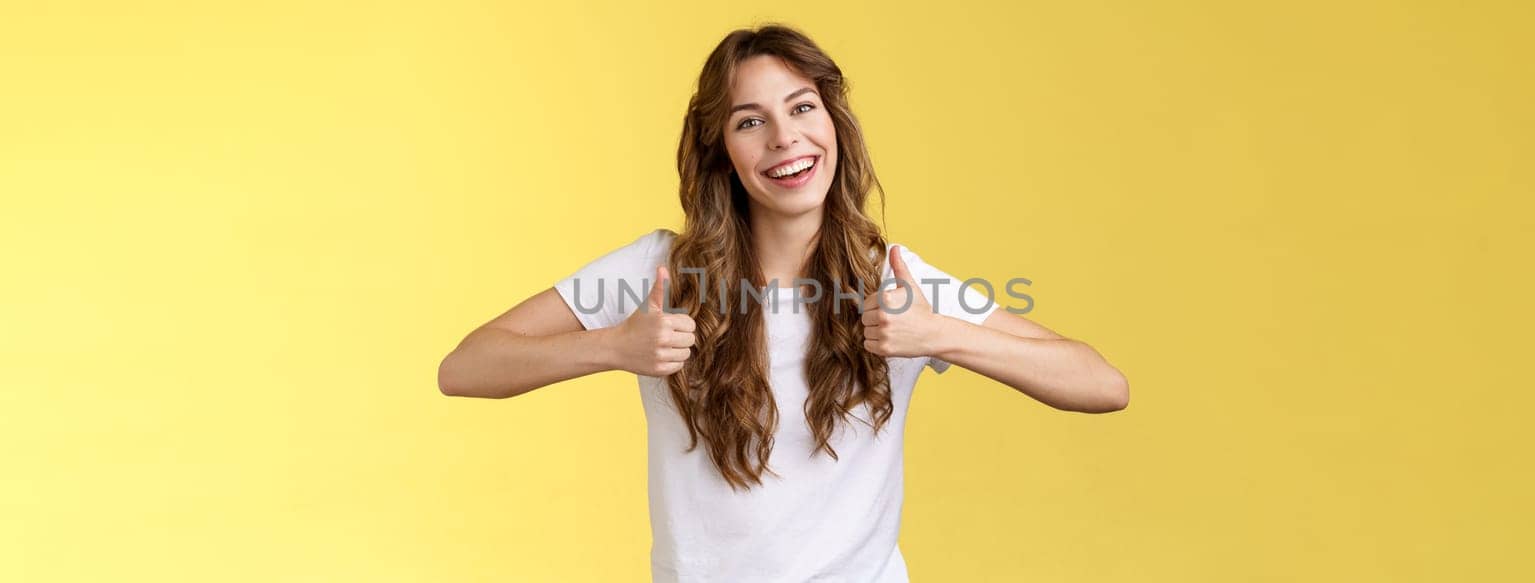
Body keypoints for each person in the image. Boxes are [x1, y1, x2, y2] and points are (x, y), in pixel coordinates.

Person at [437, 23, 1129, 583]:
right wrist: (612, 345)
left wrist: (941, 332)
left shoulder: (893, 281)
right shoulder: (659, 272)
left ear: (833, 123)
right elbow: (465, 366)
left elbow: (1103, 384)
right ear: (722, 154)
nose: (784, 137)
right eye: (750, 121)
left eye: (802, 107)